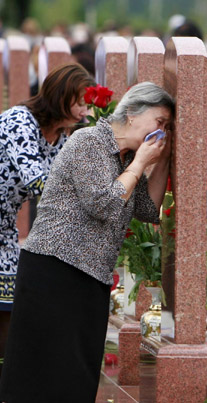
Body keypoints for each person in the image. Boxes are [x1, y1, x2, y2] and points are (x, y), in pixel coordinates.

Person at [0, 81, 174, 402]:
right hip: (53, 271)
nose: (160, 132)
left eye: (166, 128)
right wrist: (140, 164)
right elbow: (103, 203)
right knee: (42, 376)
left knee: (77, 375)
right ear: (133, 113)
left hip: (91, 276)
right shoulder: (89, 140)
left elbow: (148, 210)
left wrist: (160, 160)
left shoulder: (126, 158)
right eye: (159, 123)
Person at [0, 62, 94, 371]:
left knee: (10, 303)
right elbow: (41, 182)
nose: (84, 111)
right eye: (80, 102)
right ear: (60, 95)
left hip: (4, 227)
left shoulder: (60, 137)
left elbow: (64, 188)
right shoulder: (19, 121)